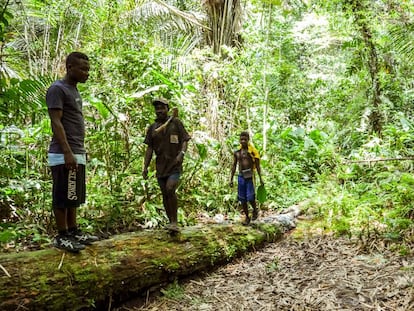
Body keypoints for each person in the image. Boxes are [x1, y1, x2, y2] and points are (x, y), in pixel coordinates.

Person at [46, 51, 98, 252]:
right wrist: (67, 152)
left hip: (76, 150)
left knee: (73, 194)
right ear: (69, 68)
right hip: (62, 153)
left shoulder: (74, 90)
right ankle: (62, 236)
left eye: (88, 69)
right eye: (83, 69)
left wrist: (79, 152)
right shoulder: (57, 89)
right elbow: (56, 122)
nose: (87, 73)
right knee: (62, 195)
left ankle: (73, 230)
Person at [142, 98, 191, 234]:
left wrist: (181, 154)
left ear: (167, 109)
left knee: (170, 189)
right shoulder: (153, 128)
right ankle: (171, 222)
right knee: (164, 193)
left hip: (174, 164)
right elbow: (149, 149)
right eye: (157, 108)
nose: (159, 111)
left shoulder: (176, 123)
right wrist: (145, 167)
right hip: (160, 166)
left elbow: (185, 140)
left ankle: (175, 222)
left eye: (162, 108)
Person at [229, 131, 264, 225]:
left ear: (248, 140)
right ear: (239, 140)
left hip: (249, 176)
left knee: (250, 197)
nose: (243, 141)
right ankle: (247, 217)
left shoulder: (252, 152)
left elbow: (257, 166)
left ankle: (255, 210)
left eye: (245, 139)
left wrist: (261, 178)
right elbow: (234, 166)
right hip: (241, 177)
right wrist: (231, 179)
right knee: (242, 199)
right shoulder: (237, 153)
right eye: (241, 139)